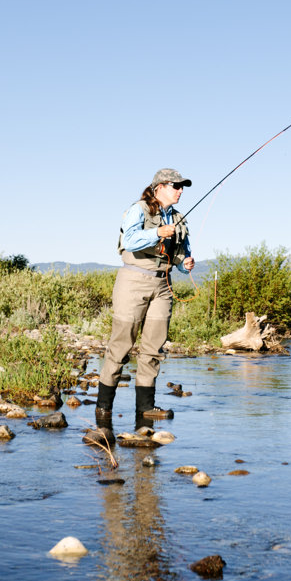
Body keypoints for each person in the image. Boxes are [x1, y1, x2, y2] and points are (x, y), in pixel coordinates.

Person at [95, 168, 195, 425]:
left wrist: (186, 264)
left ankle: (146, 408)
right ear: (160, 186)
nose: (180, 191)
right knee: (121, 345)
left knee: (153, 347)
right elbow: (129, 240)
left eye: (182, 187)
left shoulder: (179, 219)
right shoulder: (139, 209)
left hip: (164, 285)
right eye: (176, 186)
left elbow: (181, 256)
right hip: (134, 280)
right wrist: (157, 233)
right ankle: (103, 408)